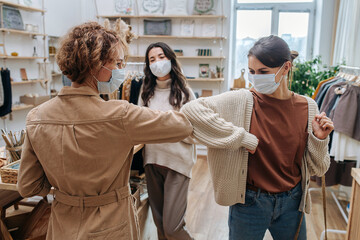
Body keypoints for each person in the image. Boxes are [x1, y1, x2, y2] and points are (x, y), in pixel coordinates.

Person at [17, 22, 193, 240]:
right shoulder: (119, 115)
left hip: (62, 225)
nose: (121, 70)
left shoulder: (36, 117)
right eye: (117, 63)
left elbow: (28, 186)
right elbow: (182, 124)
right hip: (110, 225)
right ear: (97, 65)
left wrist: (67, 191)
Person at [181, 35, 333, 240]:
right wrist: (241, 137)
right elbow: (190, 109)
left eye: (263, 72)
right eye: (252, 72)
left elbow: (319, 168)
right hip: (249, 203)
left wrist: (319, 139)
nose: (255, 78)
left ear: (286, 67)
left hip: (292, 203)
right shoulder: (241, 99)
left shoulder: (308, 107)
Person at [138, 42, 196, 240]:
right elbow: (141, 126)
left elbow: (194, 131)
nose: (157, 63)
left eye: (161, 57)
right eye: (152, 59)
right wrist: (168, 127)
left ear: (170, 58)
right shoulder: (146, 92)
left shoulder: (185, 92)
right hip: (152, 162)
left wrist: (163, 129)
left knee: (173, 228)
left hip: (177, 163)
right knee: (161, 227)